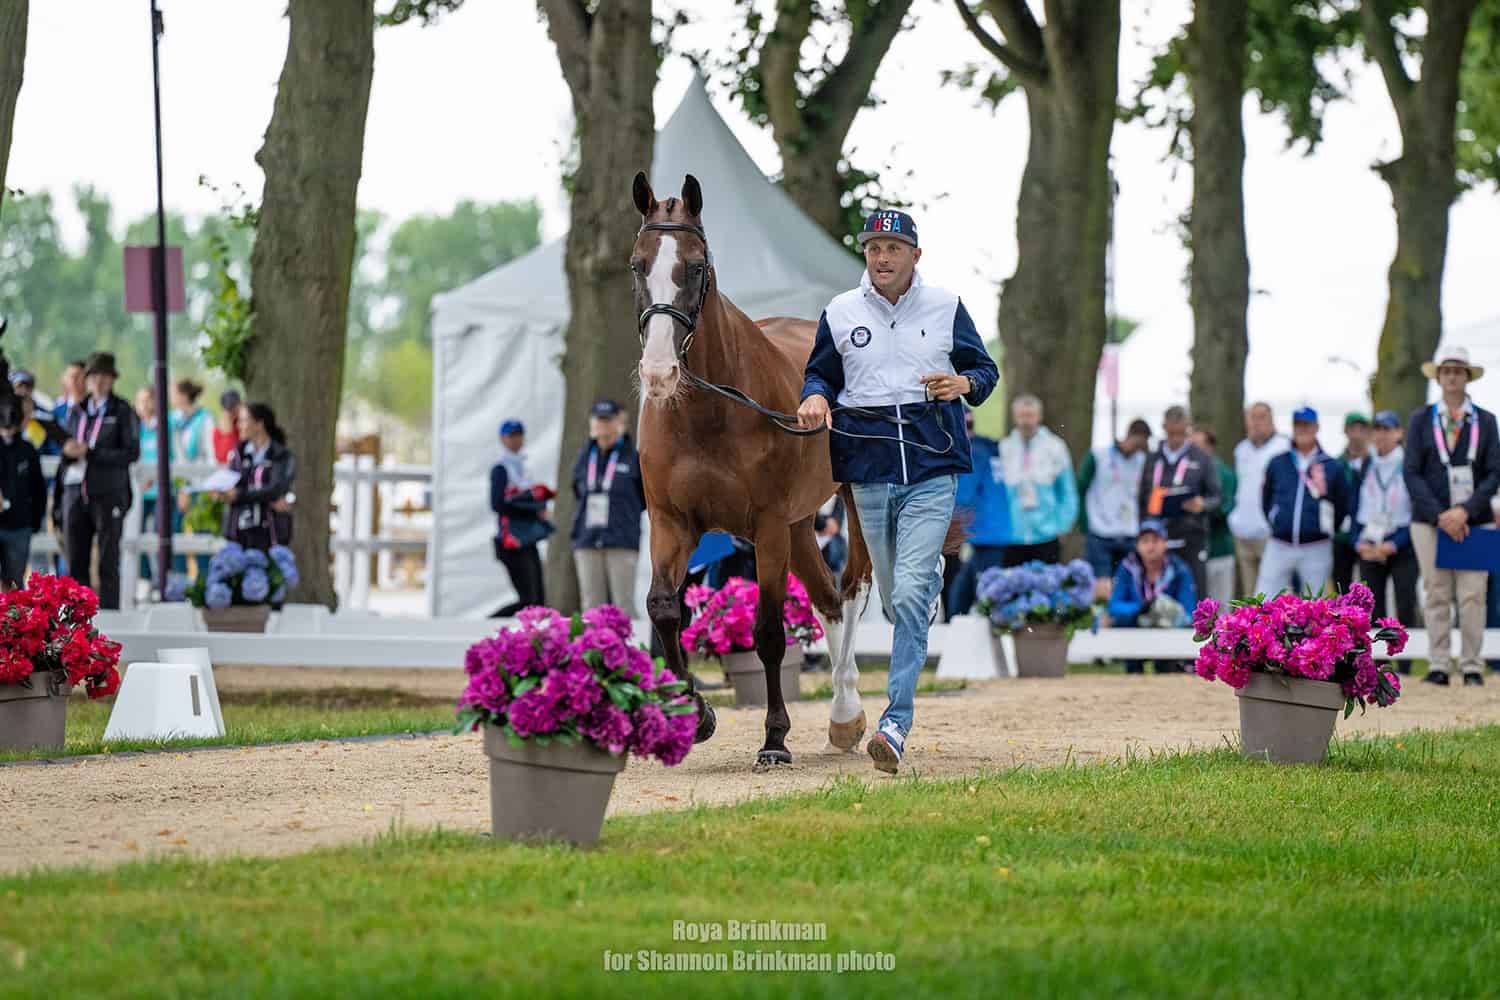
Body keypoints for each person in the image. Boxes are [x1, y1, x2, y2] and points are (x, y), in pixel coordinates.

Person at [800, 207, 998, 774]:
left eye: (893, 248)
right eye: (873, 248)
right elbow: (821, 374)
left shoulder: (945, 307)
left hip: (934, 470)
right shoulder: (840, 312)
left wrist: (964, 383)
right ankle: (919, 583)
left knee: (910, 598)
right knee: (893, 600)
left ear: (916, 254)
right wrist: (815, 396)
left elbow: (984, 370)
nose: (882, 258)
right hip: (867, 472)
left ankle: (895, 722)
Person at [1403, 344, 1500, 687]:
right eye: (1446, 371)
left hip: (1474, 522)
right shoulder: (1420, 420)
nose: (1452, 377)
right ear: (1439, 377)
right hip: (1430, 522)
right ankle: (1439, 663)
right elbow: (1412, 472)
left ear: (1467, 377)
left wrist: (1464, 511)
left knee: (1473, 593)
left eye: (1458, 371)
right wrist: (1441, 514)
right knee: (1436, 591)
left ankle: (1472, 665)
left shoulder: (1486, 421)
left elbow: (1493, 473)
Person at [57, 352, 140, 610]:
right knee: (76, 560)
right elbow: (67, 446)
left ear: (112, 379)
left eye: (105, 376)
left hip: (108, 492)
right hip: (76, 490)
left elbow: (130, 452)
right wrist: (69, 451)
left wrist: (91, 452)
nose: (99, 381)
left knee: (107, 559)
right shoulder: (77, 411)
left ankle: (110, 618)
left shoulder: (122, 411)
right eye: (94, 376)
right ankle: (76, 623)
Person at [1256, 407, 1352, 597]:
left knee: (1316, 604)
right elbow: (1266, 498)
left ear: (1316, 427)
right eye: (1298, 425)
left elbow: (1342, 503)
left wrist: (1326, 527)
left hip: (1316, 545)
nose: (1302, 429)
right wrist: (1276, 521)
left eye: (1307, 425)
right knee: (1264, 598)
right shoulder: (1278, 462)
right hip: (1280, 543)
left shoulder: (1331, 466)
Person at [570, 399, 646, 615]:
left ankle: (628, 649)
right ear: (592, 424)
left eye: (608, 420)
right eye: (599, 420)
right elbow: (577, 490)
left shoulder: (633, 457)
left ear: (619, 422)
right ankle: (593, 649)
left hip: (621, 540)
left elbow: (643, 499)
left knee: (624, 604)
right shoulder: (584, 457)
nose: (603, 425)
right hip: (587, 539)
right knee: (591, 605)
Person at [1138, 405, 1221, 602]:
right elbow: (1142, 498)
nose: (1176, 437)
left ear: (1188, 428)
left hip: (1191, 535)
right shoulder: (1152, 459)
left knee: (1196, 593)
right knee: (1157, 596)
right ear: (1164, 427)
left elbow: (1217, 498)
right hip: (1158, 537)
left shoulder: (1202, 458)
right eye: (1171, 432)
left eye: (1181, 433)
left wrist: (1203, 504)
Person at [1352, 411, 1418, 645]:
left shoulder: (1409, 462)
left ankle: (1407, 662)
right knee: (1372, 605)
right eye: (1377, 429)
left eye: (1387, 429)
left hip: (1402, 543)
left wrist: (1394, 544)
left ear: (1399, 433)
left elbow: (1417, 510)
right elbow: (1354, 505)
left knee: (1405, 602)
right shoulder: (1366, 463)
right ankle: (1376, 663)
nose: (1381, 435)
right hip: (1370, 541)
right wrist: (1357, 542)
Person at [1107, 519, 1197, 674]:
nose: (1150, 546)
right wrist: (1141, 608)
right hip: (1134, 632)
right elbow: (1114, 607)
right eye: (1145, 541)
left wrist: (1163, 611)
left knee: (1167, 670)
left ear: (1165, 543)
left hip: (1169, 634)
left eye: (1155, 540)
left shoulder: (1179, 569)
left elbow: (1189, 612)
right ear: (1137, 545)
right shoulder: (1127, 567)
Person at [997, 394, 1077, 567]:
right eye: (1022, 416)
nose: (1026, 421)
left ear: (1039, 416)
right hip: (1012, 535)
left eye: (1030, 415)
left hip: (1046, 534)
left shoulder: (1055, 447)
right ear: (1015, 417)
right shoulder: (1004, 448)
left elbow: (1068, 491)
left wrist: (1063, 526)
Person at [490, 418, 553, 617]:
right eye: (511, 436)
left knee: (538, 599)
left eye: (519, 435)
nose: (516, 440)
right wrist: (531, 510)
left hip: (527, 539)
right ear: (502, 439)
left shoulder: (525, 466)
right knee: (528, 600)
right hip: (510, 541)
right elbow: (497, 504)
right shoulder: (501, 468)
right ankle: (488, 625)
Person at [947, 412, 1008, 617]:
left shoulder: (973, 452)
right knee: (965, 587)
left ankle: (990, 633)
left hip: (985, 530)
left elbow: (962, 495)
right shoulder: (989, 448)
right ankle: (954, 623)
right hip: (996, 528)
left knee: (987, 593)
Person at [1229, 401, 1290, 597]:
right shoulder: (1241, 449)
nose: (1256, 423)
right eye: (1252, 418)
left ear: (1271, 421)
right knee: (1250, 594)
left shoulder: (1283, 447)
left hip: (1269, 533)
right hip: (1243, 531)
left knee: (1274, 592)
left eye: (1261, 417)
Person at [1079, 418, 1151, 581]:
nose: (1136, 449)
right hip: (1100, 530)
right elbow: (1081, 487)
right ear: (1130, 435)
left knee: (1127, 583)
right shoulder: (1098, 455)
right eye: (1136, 443)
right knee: (1101, 586)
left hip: (1129, 532)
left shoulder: (1142, 460)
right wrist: (1084, 524)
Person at [221, 402, 296, 552]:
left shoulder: (281, 456)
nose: (239, 426)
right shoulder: (238, 454)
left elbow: (275, 489)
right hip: (239, 531)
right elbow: (232, 484)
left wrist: (239, 495)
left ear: (259, 424)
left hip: (270, 533)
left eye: (243, 420)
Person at [0, 396, 46, 589]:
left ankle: (12, 619)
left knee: (14, 581)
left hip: (20, 526)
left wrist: (34, 522)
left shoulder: (27, 450)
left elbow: (39, 489)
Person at [1191, 427, 1238, 605]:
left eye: (1198, 446)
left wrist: (1202, 506)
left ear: (1211, 447)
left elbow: (1224, 507)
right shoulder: (1189, 471)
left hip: (1219, 549)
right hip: (1195, 551)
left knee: (1221, 607)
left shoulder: (1224, 474)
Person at [1333, 412, 1373, 594]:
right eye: (1353, 428)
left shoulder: (1376, 463)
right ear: (1345, 431)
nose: (1357, 433)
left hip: (1368, 532)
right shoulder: (1336, 464)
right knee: (1341, 585)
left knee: (1370, 585)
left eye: (1361, 428)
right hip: (1342, 534)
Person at [171, 379, 216, 464]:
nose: (170, 397)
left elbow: (211, 450)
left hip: (200, 470)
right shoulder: (173, 418)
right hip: (178, 470)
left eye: (174, 394)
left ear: (184, 396)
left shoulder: (205, 418)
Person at [212, 389, 243, 464]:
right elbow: (223, 459)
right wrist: (227, 434)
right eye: (229, 409)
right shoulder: (219, 430)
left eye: (234, 406)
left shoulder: (246, 424)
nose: (232, 411)